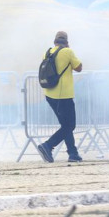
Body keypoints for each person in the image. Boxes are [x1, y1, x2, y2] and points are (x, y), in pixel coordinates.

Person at [36, 31, 83, 163]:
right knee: (70, 125)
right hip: (64, 95)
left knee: (65, 125)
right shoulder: (68, 52)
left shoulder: (47, 52)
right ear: (66, 41)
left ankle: (73, 153)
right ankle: (48, 145)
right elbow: (79, 67)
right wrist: (68, 50)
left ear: (55, 41)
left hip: (50, 94)